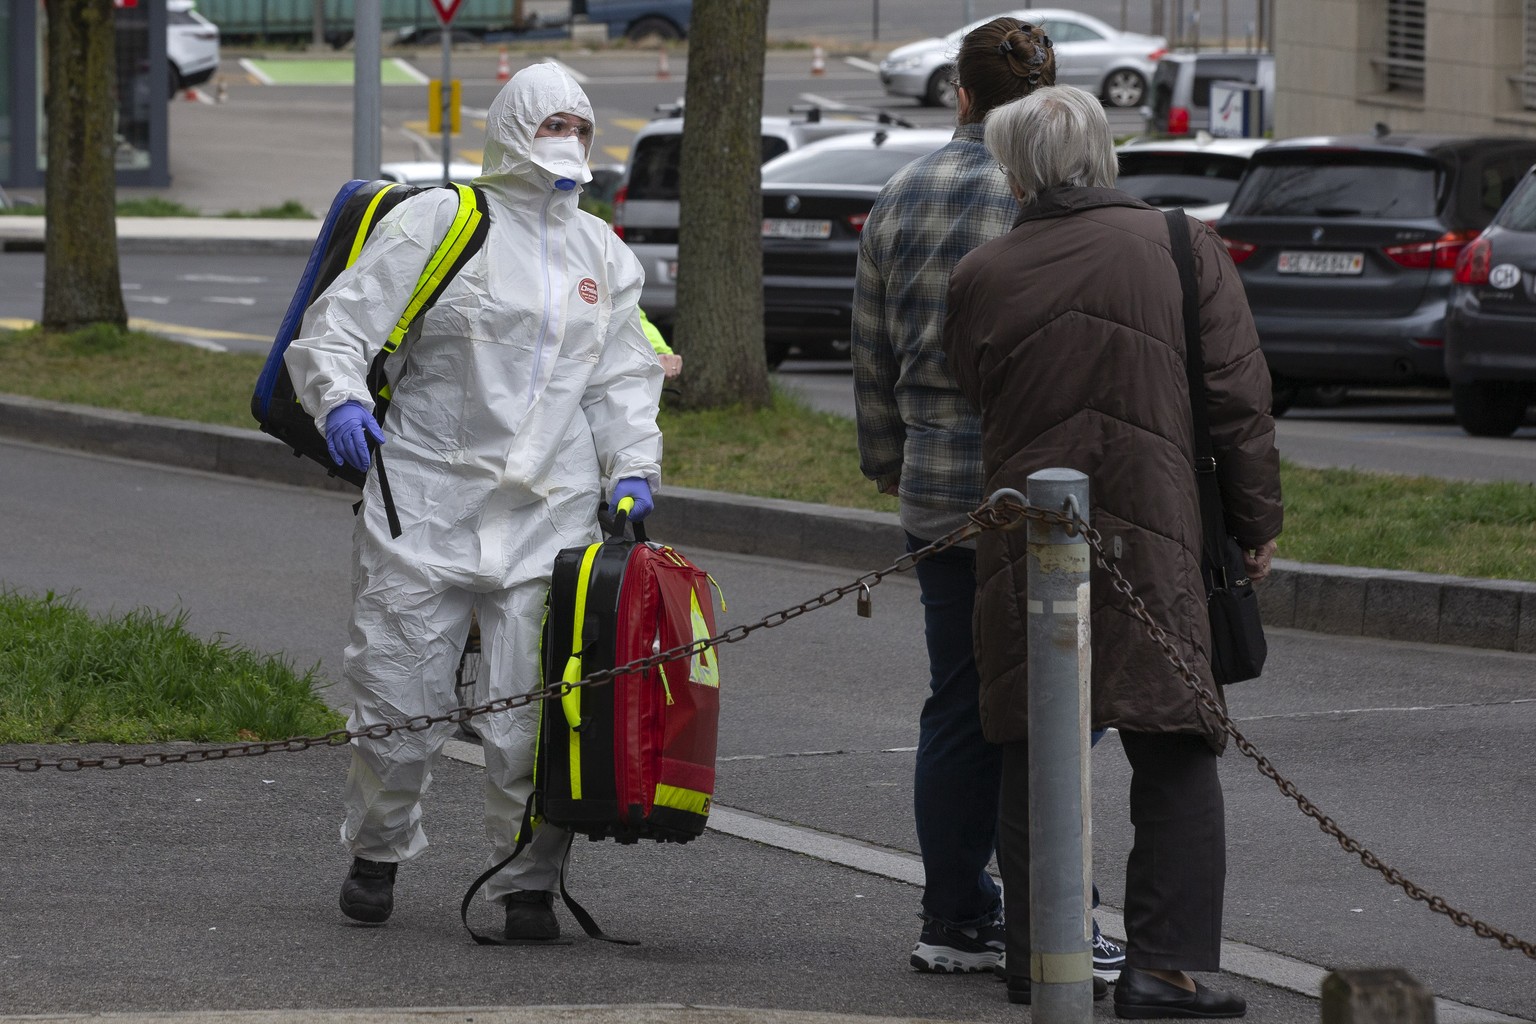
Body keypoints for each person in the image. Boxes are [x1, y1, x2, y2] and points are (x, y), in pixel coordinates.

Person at [284, 62, 664, 943]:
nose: (567, 136)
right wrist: (339, 398)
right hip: (424, 498)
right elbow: (337, 328)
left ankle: (527, 883)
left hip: (553, 515)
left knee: (536, 717)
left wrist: (632, 470)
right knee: (395, 694)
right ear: (513, 125)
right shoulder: (440, 222)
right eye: (551, 120)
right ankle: (377, 853)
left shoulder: (601, 253)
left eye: (580, 120)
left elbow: (621, 380)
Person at [942, 85, 1282, 1019]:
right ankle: (1161, 967)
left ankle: (1035, 955)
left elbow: (977, 393)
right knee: (1172, 744)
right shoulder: (1182, 247)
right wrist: (1256, 525)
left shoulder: (983, 272)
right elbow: (1238, 403)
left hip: (1027, 531)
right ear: (1106, 153)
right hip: (1159, 528)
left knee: (1032, 742)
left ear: (1013, 170)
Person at [850, 17, 1123, 989]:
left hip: (941, 496)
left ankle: (953, 913)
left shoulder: (901, 195)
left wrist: (892, 462)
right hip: (1053, 501)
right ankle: (1058, 917)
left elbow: (872, 358)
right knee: (1065, 711)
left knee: (959, 708)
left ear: (958, 95)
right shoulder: (1060, 204)